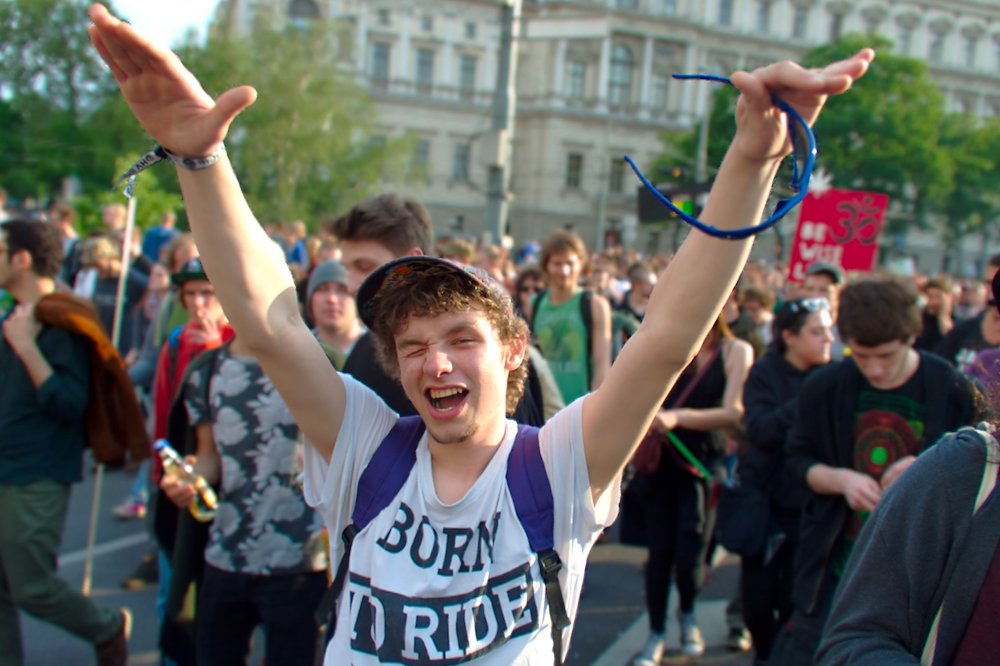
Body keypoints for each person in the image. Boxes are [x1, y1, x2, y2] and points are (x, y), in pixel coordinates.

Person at [86, 8, 874, 661]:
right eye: (412, 346)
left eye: (461, 337)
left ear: (513, 349)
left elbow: (667, 336)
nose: (436, 361)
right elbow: (271, 323)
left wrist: (752, 159)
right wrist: (201, 160)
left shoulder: (558, 465)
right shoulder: (366, 448)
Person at [771, 277, 979, 666]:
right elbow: (797, 462)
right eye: (862, 356)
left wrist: (929, 469)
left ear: (911, 337)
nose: (875, 369)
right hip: (831, 566)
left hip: (915, 579)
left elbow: (980, 476)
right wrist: (842, 480)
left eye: (886, 356)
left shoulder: (953, 388)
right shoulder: (825, 386)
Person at [0, 220, 130, 666]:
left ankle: (106, 626)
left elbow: (71, 403)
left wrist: (27, 348)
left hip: (37, 470)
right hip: (6, 462)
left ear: (21, 259)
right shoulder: (15, 315)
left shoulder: (63, 319)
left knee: (32, 587)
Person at [159, 334, 328, 666]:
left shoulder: (317, 362)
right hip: (227, 555)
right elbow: (209, 457)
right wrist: (186, 480)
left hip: (298, 561)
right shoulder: (207, 370)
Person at [629, 315, 754, 664]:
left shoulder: (735, 350)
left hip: (702, 467)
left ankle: (687, 615)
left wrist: (678, 417)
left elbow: (733, 413)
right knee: (659, 555)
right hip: (661, 467)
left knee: (691, 556)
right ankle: (656, 632)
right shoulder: (665, 344)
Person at [738, 298, 835, 665]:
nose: (828, 339)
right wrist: (808, 398)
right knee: (758, 602)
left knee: (798, 604)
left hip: (814, 513)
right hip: (766, 508)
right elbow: (761, 429)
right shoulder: (765, 373)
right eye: (817, 331)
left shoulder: (836, 376)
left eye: (829, 330)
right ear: (790, 337)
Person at [532, 229, 612, 403]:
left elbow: (602, 365)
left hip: (580, 406)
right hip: (545, 407)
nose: (564, 271)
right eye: (557, 263)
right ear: (546, 265)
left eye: (570, 263)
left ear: (581, 264)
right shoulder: (535, 304)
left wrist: (594, 407)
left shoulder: (595, 305)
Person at [307, 258, 363, 364]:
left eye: (342, 290)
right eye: (323, 289)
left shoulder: (379, 353)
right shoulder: (296, 352)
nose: (332, 299)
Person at [913, 274, 953, 352]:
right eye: (930, 297)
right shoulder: (920, 318)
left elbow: (950, 340)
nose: (933, 302)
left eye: (938, 297)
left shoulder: (957, 320)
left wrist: (942, 317)